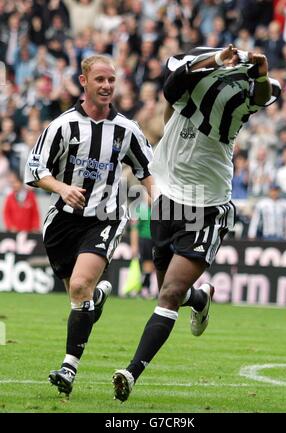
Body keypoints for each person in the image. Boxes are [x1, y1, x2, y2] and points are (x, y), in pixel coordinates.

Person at [112, 44, 281, 401]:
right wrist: (218, 60)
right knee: (167, 289)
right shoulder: (182, 90)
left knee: (170, 294)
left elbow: (264, 94)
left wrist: (262, 71)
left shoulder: (237, 101)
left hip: (207, 206)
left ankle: (132, 371)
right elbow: (173, 83)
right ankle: (200, 299)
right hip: (167, 200)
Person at [24, 54, 153, 397]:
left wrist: (160, 204)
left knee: (79, 287)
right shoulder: (62, 126)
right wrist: (63, 188)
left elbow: (148, 170)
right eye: (100, 80)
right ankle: (96, 298)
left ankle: (68, 368)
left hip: (106, 217)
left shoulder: (127, 130)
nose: (107, 86)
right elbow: (35, 170)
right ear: (84, 82)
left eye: (111, 80)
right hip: (63, 223)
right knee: (80, 298)